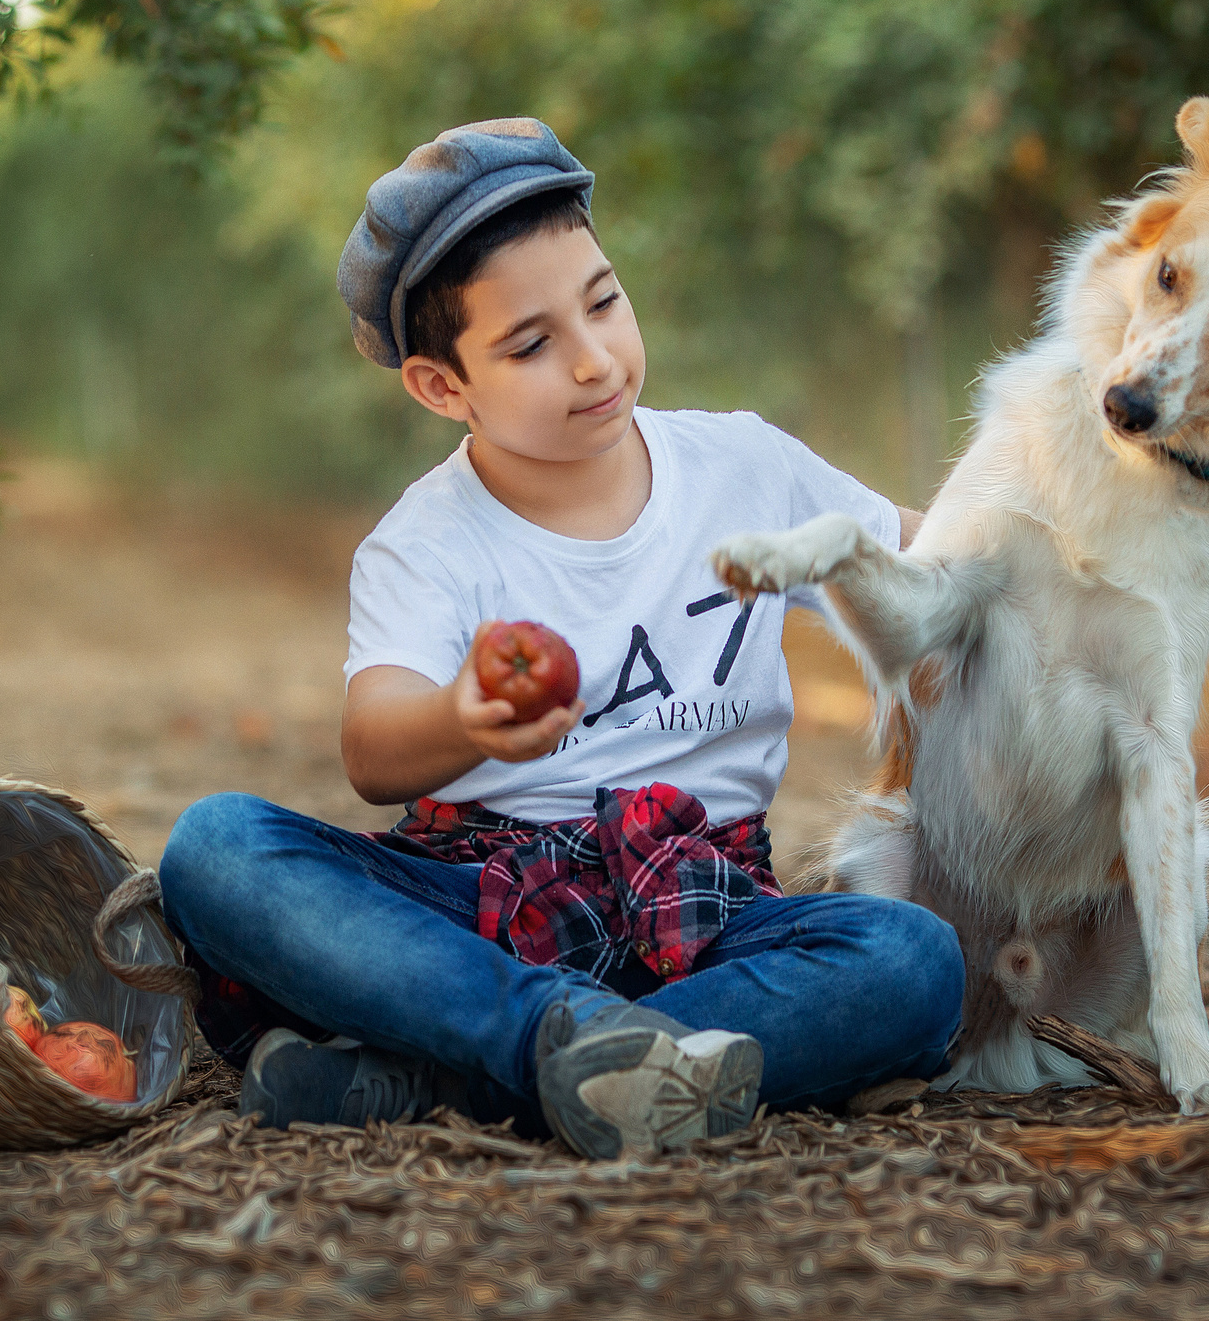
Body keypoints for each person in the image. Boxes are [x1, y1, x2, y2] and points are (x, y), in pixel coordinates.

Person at [158, 118, 964, 1158]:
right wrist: (462, 719)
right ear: (443, 387)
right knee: (216, 848)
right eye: (531, 345)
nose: (593, 362)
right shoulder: (428, 541)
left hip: (700, 908)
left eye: (604, 301)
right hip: (477, 904)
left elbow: (935, 558)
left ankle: (443, 1074)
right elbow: (371, 750)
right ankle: (560, 1038)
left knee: (911, 960)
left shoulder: (745, 470)